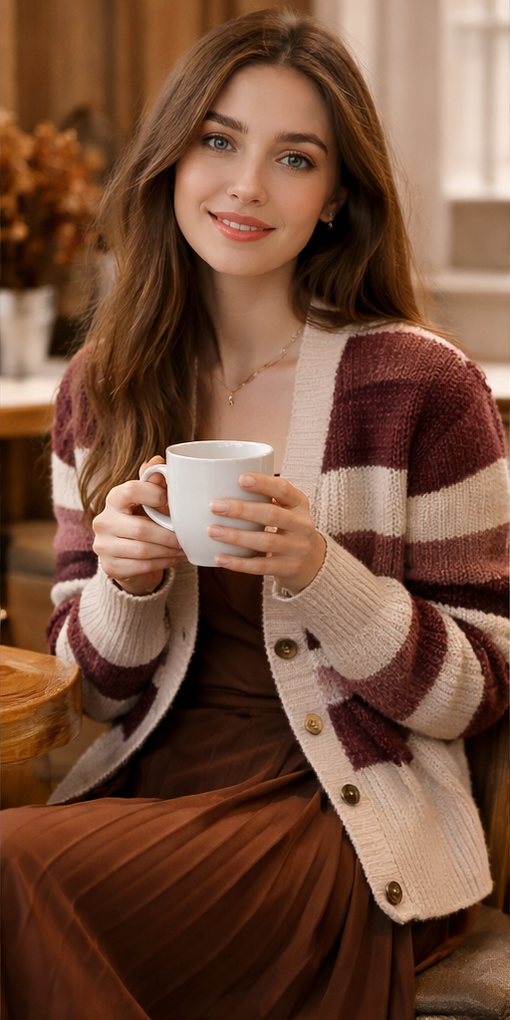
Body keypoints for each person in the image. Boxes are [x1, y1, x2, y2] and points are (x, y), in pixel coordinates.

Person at [2, 9, 508, 1020]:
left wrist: (325, 573)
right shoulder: (101, 386)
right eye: (219, 140)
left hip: (340, 815)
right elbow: (92, 696)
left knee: (11, 863)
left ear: (334, 200)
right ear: (172, 160)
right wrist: (126, 586)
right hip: (146, 791)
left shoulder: (421, 386)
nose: (246, 184)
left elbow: (484, 687)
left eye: (295, 158)